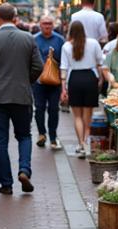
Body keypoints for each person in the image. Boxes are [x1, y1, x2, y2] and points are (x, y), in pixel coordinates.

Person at [0, 4, 43, 194]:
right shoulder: (28, 38)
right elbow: (38, 66)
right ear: (15, 18)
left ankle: (6, 184)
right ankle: (24, 170)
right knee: (24, 135)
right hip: (21, 95)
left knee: (0, 140)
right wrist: (26, 80)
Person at [60, 19, 105, 157]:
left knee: (77, 116)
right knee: (88, 115)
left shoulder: (67, 46)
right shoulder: (93, 43)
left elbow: (64, 68)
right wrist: (101, 78)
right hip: (90, 78)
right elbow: (100, 62)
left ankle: (80, 144)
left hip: (74, 79)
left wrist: (63, 88)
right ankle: (86, 141)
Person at [33, 15, 64, 150]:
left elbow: (64, 61)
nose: (47, 26)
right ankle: (41, 134)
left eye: (49, 23)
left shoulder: (59, 40)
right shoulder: (34, 40)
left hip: (55, 82)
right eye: (44, 23)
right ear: (40, 25)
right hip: (38, 82)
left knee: (53, 109)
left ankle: (52, 135)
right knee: (39, 108)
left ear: (53, 25)